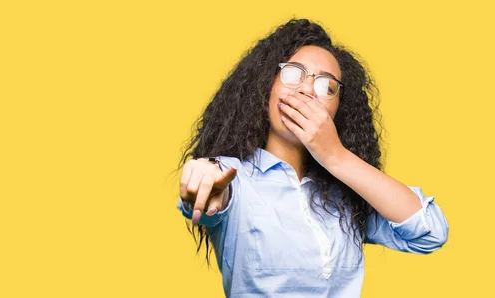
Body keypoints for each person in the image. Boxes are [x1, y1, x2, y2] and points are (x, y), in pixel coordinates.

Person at [175, 17, 449, 297]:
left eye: (326, 87)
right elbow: (211, 191)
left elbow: (430, 233)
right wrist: (204, 184)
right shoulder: (235, 177)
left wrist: (336, 156)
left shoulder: (343, 197)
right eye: (293, 74)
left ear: (337, 111)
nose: (307, 90)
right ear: (265, 88)